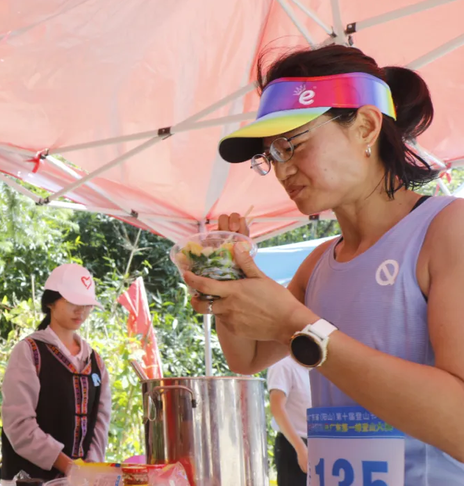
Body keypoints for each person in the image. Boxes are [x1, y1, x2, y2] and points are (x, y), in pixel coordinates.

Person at [184, 44, 464, 484]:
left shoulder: (447, 229)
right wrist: (227, 282)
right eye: (270, 155)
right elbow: (248, 356)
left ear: (366, 126)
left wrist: (299, 327)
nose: (281, 170)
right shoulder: (319, 262)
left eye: (291, 145)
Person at [0, 263, 111, 481]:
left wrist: (89, 470)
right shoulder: (30, 351)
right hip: (31, 480)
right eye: (72, 303)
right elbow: (19, 425)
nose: (81, 311)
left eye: (87, 304)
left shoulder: (95, 361)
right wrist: (69, 467)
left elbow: (100, 422)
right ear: (50, 302)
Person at [267, 356, 310, 485]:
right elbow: (277, 408)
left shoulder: (315, 367)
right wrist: (300, 449)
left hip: (316, 444)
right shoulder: (282, 364)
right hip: (293, 445)